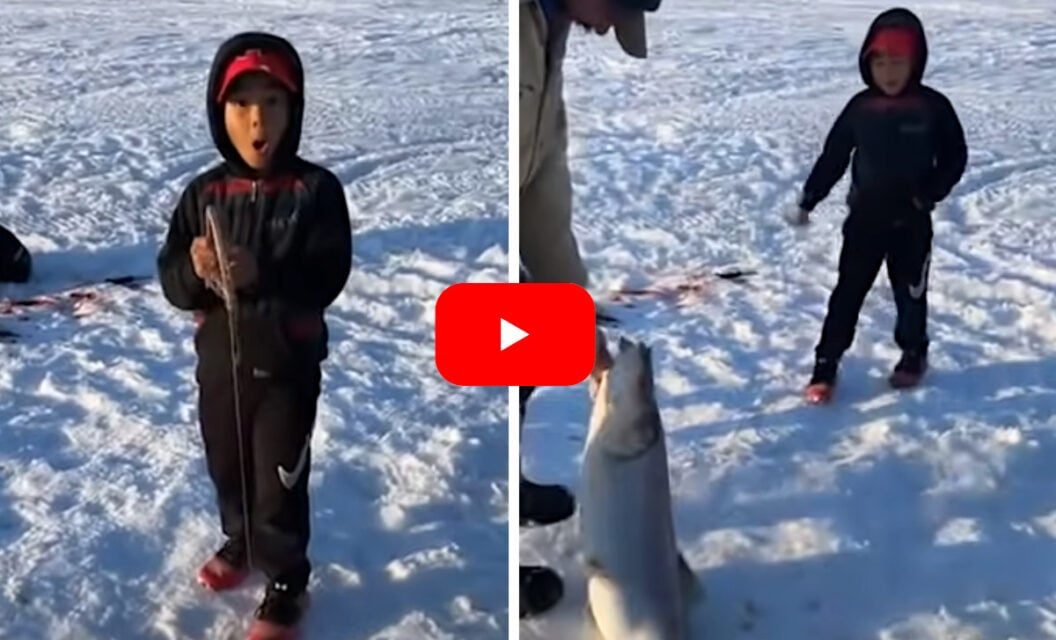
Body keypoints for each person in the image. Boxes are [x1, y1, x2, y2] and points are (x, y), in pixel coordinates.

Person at [157, 32, 352, 639]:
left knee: (278, 476)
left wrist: (260, 273)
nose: (257, 119)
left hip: (286, 370)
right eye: (241, 104)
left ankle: (287, 579)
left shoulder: (315, 191)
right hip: (220, 367)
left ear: (294, 111)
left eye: (272, 101)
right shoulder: (203, 193)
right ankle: (239, 540)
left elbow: (327, 273)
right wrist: (196, 268)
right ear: (221, 113)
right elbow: (171, 279)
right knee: (228, 465)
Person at [519, 0, 661, 619]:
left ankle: (513, 483)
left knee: (530, 343)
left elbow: (542, 174)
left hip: (518, 211)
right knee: (498, 347)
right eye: (618, 10)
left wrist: (571, 316)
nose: (607, 29)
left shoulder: (551, 27)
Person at [788, 8, 967, 404]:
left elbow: (955, 156)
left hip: (912, 222)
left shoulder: (932, 107)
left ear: (915, 61)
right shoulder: (860, 108)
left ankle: (913, 353)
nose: (888, 71)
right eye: (880, 61)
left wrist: (929, 193)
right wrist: (810, 198)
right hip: (865, 221)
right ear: (868, 63)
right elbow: (833, 156)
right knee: (848, 292)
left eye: (898, 62)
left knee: (911, 293)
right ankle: (825, 363)